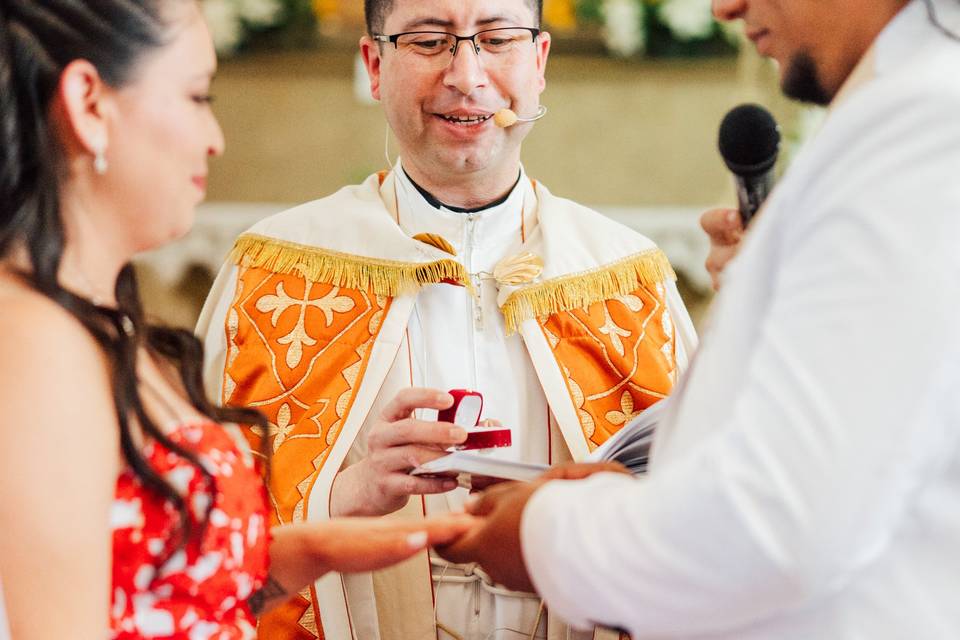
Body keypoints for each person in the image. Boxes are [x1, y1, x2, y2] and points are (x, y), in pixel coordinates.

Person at [436, 0, 960, 638]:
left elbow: (778, 523)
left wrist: (544, 533)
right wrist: (639, 500)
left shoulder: (920, 124)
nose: (724, 7)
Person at [197, 0, 697, 637]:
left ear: (539, 61)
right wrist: (345, 496)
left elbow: (705, 519)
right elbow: (196, 538)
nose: (467, 75)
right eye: (431, 41)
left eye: (496, 38)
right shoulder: (274, 275)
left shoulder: (630, 281)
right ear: (375, 64)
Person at [0, 2, 473, 638]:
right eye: (197, 96)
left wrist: (314, 552)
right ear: (89, 104)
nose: (215, 138)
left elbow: (150, 592)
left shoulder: (89, 317)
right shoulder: (34, 346)